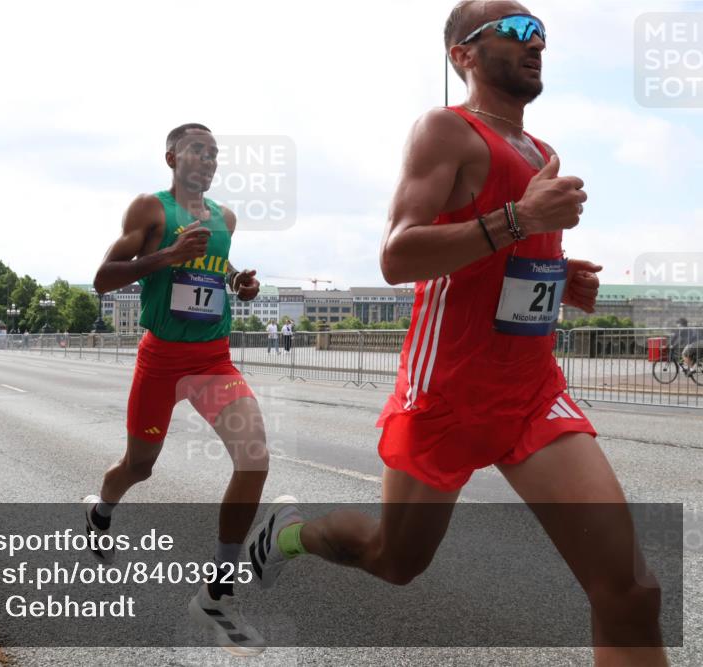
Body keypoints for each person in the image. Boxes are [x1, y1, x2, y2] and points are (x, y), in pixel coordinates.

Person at [246, 4, 666, 665]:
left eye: (543, 34)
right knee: (394, 558)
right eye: (518, 31)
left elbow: (504, 266)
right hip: (447, 392)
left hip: (531, 393)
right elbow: (397, 255)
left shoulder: (543, 153)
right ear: (463, 55)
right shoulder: (446, 131)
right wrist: (519, 220)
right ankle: (289, 535)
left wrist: (557, 276)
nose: (537, 43)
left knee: (632, 590)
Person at [85, 123, 269, 655]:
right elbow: (103, 278)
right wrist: (167, 256)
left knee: (253, 458)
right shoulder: (151, 209)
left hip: (212, 360)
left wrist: (240, 283)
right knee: (140, 466)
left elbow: (216, 266)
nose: (208, 160)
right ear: (172, 156)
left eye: (215, 154)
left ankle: (219, 588)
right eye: (198, 150)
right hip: (161, 359)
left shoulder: (224, 219)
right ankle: (102, 509)